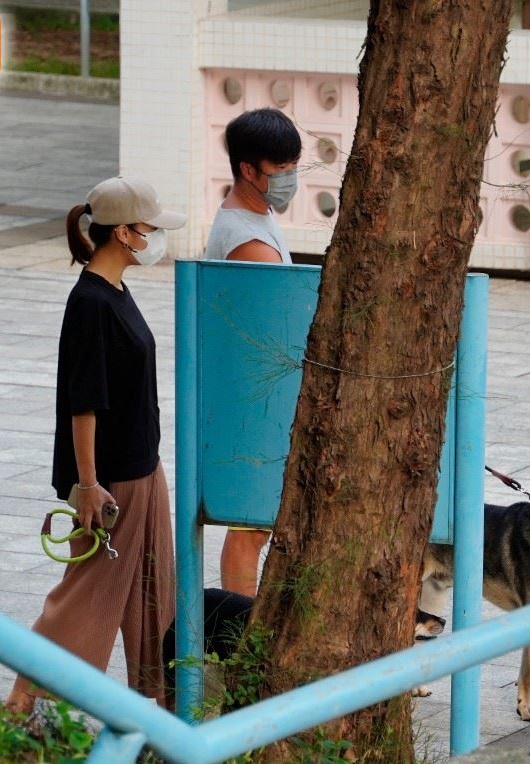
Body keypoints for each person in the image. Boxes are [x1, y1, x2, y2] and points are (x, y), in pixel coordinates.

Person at [6, 176, 186, 715]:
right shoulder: (90, 303)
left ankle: (161, 708)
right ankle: (21, 701)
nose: (154, 238)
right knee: (87, 595)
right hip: (115, 480)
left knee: (154, 593)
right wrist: (88, 485)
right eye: (148, 228)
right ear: (124, 233)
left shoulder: (116, 292)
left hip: (142, 468)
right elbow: (83, 404)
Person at [204, 107, 302, 597]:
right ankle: (239, 636)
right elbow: (277, 325)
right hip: (256, 399)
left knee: (255, 525)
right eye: (280, 172)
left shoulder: (253, 219)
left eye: (293, 169)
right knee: (250, 526)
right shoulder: (247, 241)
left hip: (258, 394)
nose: (289, 181)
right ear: (248, 169)